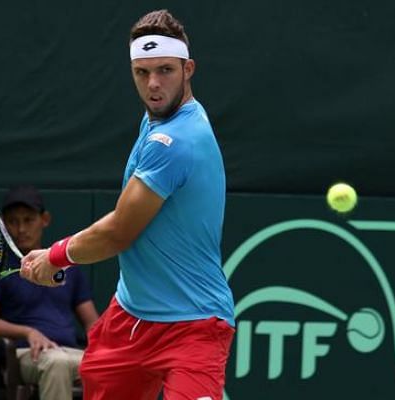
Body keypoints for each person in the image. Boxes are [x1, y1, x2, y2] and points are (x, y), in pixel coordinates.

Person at [20, 9, 235, 400]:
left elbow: (120, 231)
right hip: (130, 321)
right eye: (142, 72)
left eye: (166, 70)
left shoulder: (177, 141)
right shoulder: (155, 119)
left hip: (195, 326)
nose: (154, 84)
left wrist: (55, 256)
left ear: (189, 69)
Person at [0, 185, 99, 400]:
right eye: (13, 222)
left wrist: (103, 348)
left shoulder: (66, 266)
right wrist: (29, 332)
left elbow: (92, 322)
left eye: (28, 220)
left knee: (114, 366)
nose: (21, 229)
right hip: (25, 355)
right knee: (57, 364)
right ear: (4, 225)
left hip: (72, 352)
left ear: (45, 220)